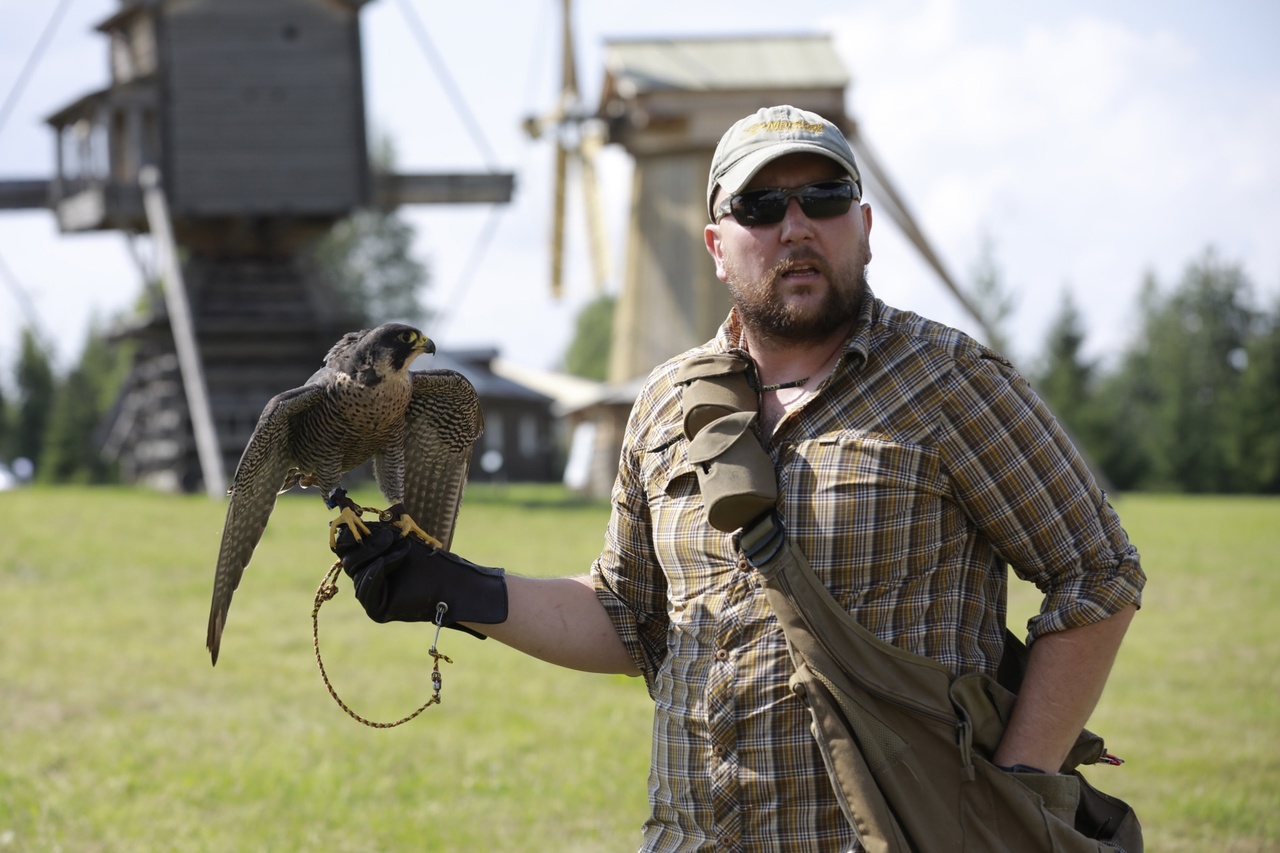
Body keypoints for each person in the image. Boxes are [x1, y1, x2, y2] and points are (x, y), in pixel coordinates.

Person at [335, 104, 1146, 852]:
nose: (796, 226)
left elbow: (1098, 571)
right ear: (718, 247)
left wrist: (1017, 783)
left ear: (863, 227)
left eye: (823, 198)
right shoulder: (664, 406)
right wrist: (458, 588)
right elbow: (627, 617)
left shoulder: (951, 382)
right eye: (760, 207)